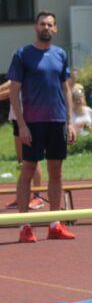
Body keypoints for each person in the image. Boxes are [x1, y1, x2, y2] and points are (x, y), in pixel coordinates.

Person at [7, 10, 78, 243]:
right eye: (42, 24)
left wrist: (70, 122)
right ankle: (24, 226)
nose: (45, 27)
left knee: (56, 171)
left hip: (57, 121)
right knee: (28, 169)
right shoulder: (22, 54)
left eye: (49, 24)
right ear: (35, 27)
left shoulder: (60, 54)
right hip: (33, 123)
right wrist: (22, 125)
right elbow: (14, 92)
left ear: (55, 28)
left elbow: (66, 89)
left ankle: (54, 224)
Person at [0, 80, 45, 210]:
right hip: (17, 117)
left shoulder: (31, 69)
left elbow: (14, 88)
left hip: (30, 116)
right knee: (22, 160)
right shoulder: (18, 69)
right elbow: (11, 82)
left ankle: (38, 197)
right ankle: (23, 195)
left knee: (32, 159)